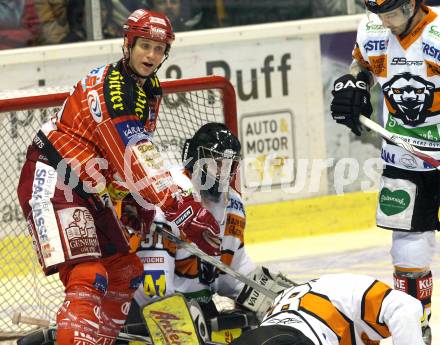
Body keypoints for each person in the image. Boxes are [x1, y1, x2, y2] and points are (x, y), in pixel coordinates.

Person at [16, 8, 221, 345]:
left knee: (124, 272)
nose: (152, 55)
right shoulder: (114, 89)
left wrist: (131, 198)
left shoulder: (148, 89)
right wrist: (184, 209)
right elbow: (136, 158)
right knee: (88, 274)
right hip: (54, 176)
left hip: (88, 185)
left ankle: (98, 341)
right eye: (145, 46)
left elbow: (122, 159)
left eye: (159, 49)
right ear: (128, 44)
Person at [122, 123, 292, 342]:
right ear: (195, 160)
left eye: (228, 165)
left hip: (197, 307)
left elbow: (232, 272)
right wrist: (177, 320)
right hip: (144, 310)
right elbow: (153, 286)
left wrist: (259, 292)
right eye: (215, 164)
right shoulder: (168, 199)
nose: (223, 173)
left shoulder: (233, 206)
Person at [330, 0, 438, 342]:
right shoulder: (373, 28)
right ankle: (415, 327)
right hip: (403, 159)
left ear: (411, 4)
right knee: (408, 250)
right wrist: (355, 85)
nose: (384, 21)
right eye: (378, 13)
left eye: (391, 12)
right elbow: (362, 66)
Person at [229, 273, 426, 344]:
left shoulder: (331, 294)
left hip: (260, 337)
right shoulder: (353, 289)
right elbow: (407, 307)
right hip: (295, 339)